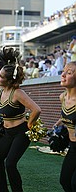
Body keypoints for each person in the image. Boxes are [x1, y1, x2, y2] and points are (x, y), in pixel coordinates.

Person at [0, 47, 41, 192]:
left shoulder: (18, 93)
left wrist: (30, 123)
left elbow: (36, 109)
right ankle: (2, 189)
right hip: (7, 132)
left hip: (20, 132)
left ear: (9, 80)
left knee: (10, 164)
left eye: (1, 76)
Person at [53, 61, 76, 191]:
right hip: (73, 147)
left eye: (69, 73)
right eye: (63, 71)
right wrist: (57, 126)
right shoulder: (63, 97)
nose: (63, 75)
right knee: (65, 181)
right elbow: (67, 116)